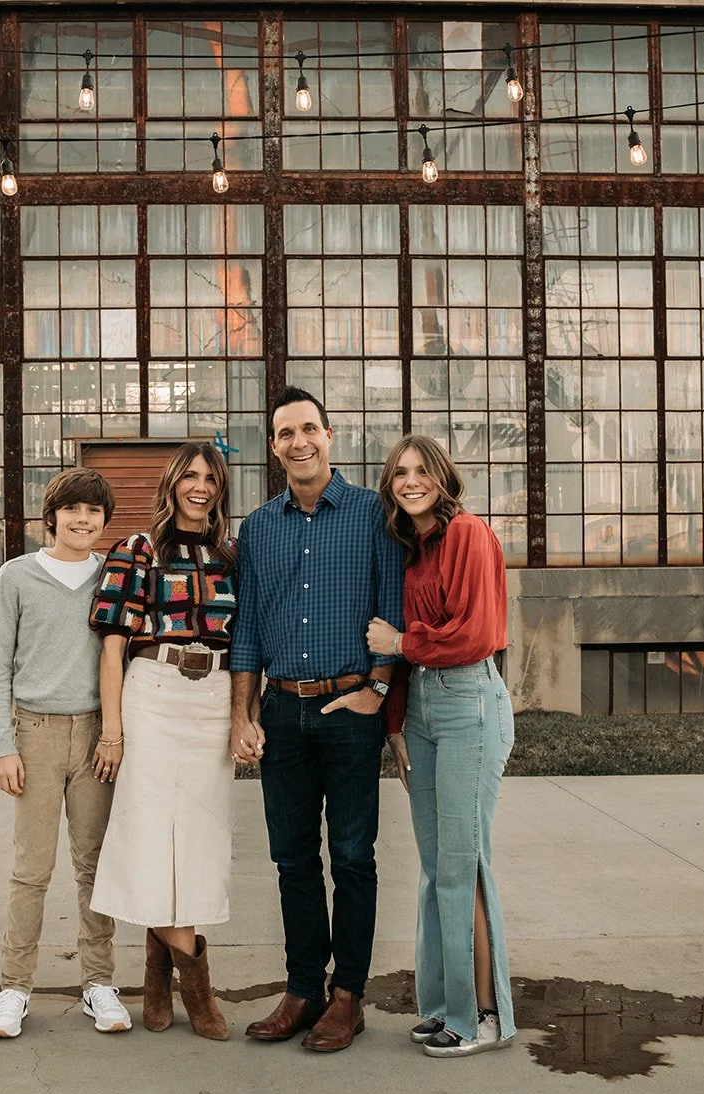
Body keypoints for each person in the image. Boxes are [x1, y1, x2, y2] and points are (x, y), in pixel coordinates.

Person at [229, 388, 406, 1053]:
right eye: (285, 434)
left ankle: (347, 996)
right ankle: (303, 988)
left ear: (329, 435)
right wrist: (241, 714)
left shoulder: (370, 513)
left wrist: (378, 690)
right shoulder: (259, 527)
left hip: (349, 708)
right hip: (281, 708)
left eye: (309, 429)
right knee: (293, 859)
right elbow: (247, 627)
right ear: (273, 447)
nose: (298, 442)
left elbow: (393, 607)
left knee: (354, 857)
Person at [365, 435, 516, 1057]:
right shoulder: (412, 549)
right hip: (425, 708)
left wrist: (400, 642)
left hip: (468, 704)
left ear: (442, 477)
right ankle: (441, 1005)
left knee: (462, 865)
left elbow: (476, 634)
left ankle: (481, 1016)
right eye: (399, 472)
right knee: (435, 870)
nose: (409, 481)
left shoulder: (467, 535)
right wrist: (395, 727)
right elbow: (410, 655)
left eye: (421, 470)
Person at [88, 442, 238, 1041]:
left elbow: (245, 640)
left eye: (210, 478)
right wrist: (113, 730)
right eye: (190, 476)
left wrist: (245, 713)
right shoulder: (137, 549)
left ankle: (157, 975)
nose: (199, 487)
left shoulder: (232, 555)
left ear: (220, 488)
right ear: (172, 483)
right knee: (154, 837)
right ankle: (198, 992)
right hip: (152, 689)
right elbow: (112, 646)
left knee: (198, 839)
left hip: (213, 699)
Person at [0, 467, 133, 1039]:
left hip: (97, 734)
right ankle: (13, 989)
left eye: (94, 512)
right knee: (31, 870)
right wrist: (3, 746)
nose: (83, 520)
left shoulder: (114, 577)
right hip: (35, 735)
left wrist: (115, 734)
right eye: (72, 510)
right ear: (52, 517)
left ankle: (99, 983)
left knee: (95, 865)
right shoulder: (16, 576)